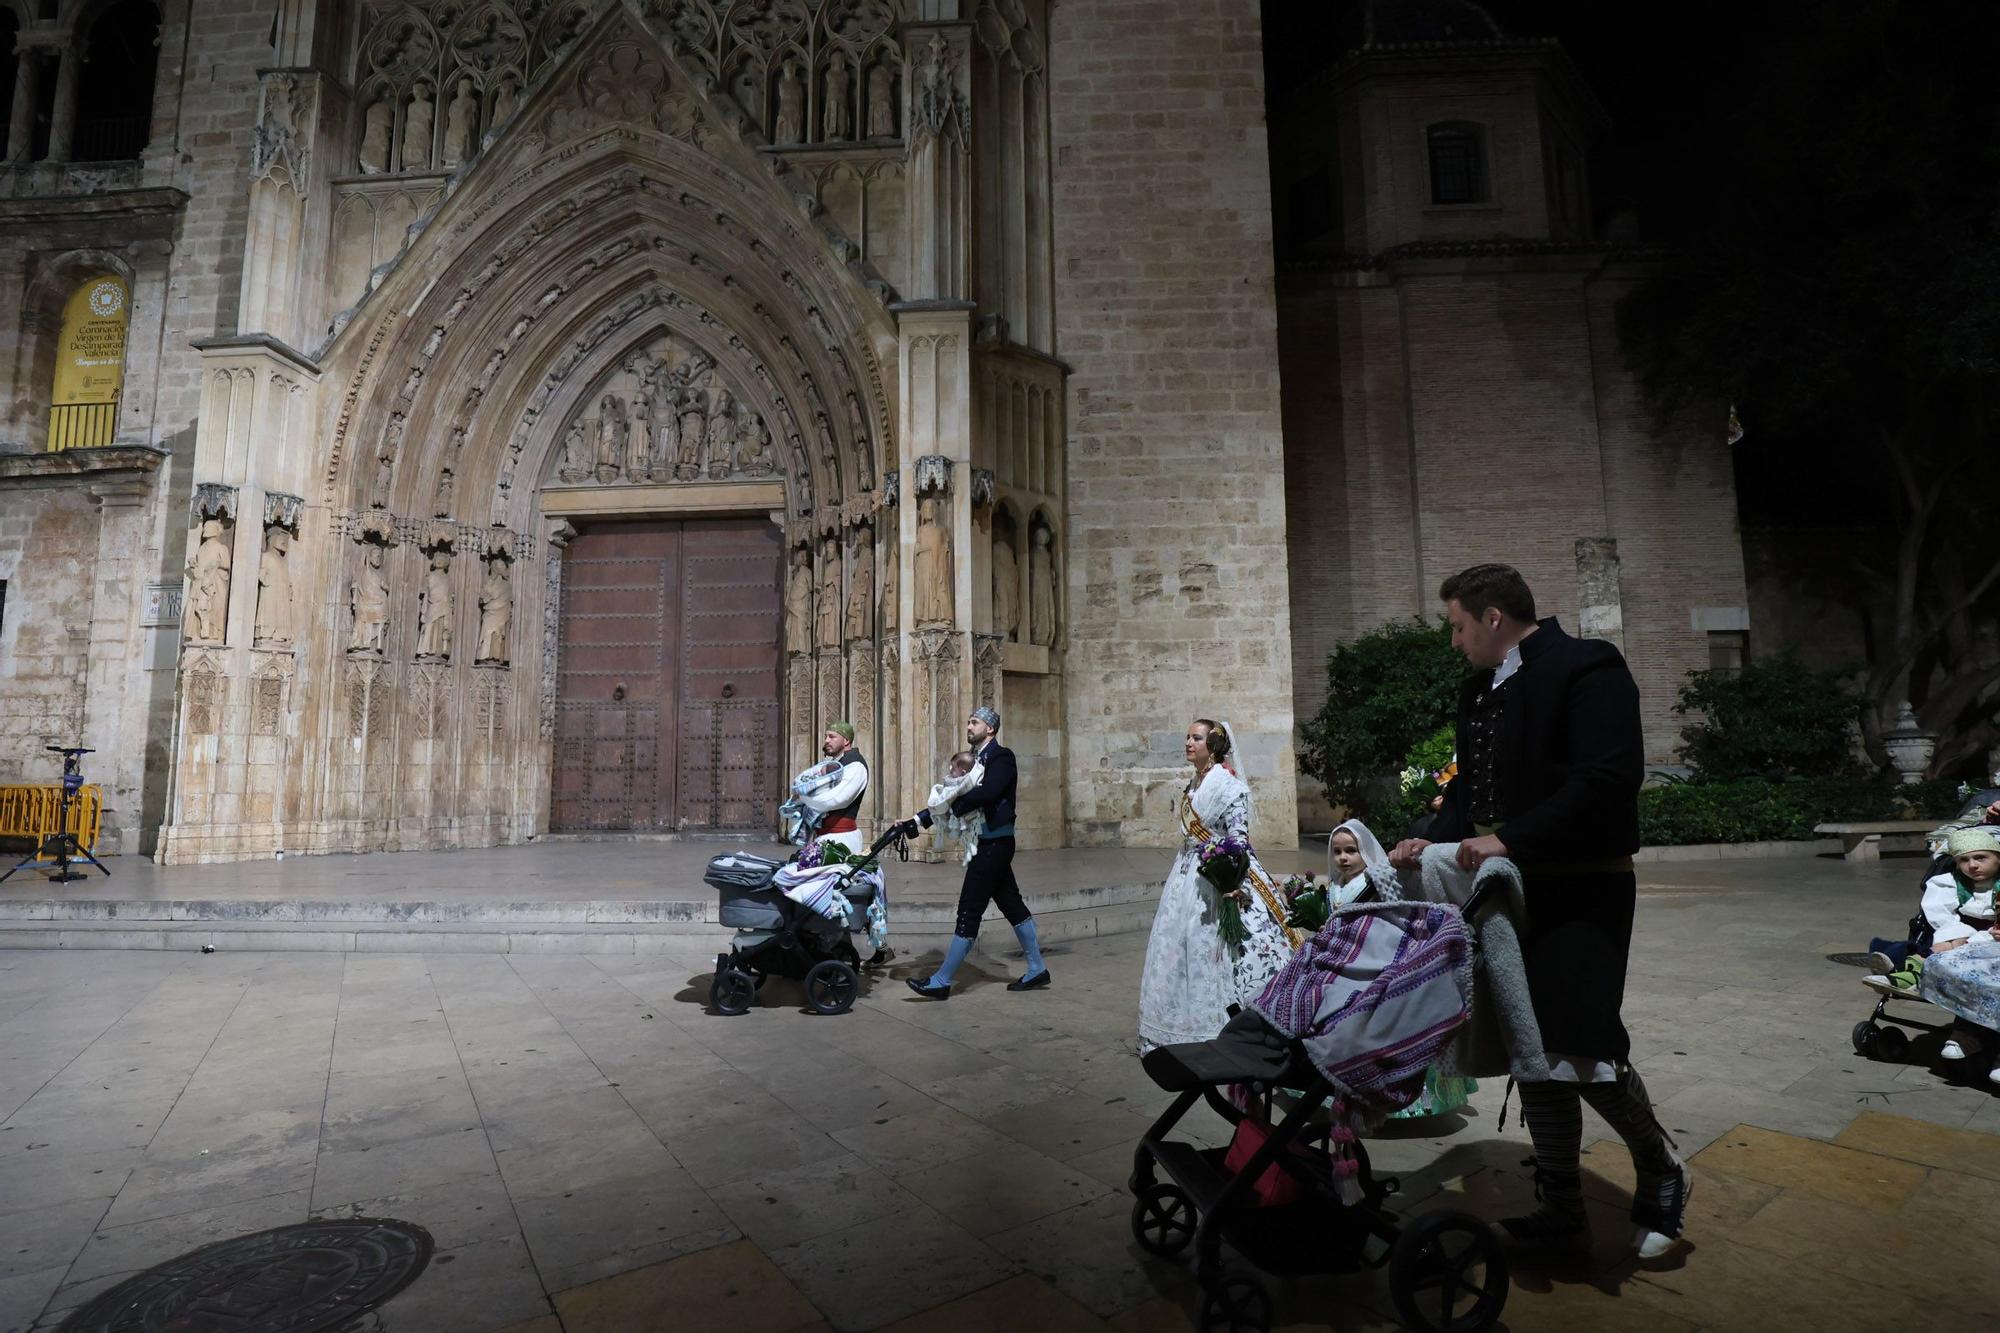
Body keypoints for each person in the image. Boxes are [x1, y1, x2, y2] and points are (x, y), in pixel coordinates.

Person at [1391, 563, 1688, 1260]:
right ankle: (1561, 1205)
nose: (1455, 642)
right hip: (1501, 889)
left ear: (1493, 616)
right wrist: (1429, 839)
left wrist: (1509, 838)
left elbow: (1609, 778)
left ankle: (1662, 1164)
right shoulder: (1477, 691)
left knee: (1579, 1043)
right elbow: (1470, 797)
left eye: (1459, 626)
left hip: (1580, 887)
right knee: (1531, 1049)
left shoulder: (1588, 665)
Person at [1137, 720, 1297, 1051]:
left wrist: (1231, 881)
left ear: (1213, 745)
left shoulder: (1229, 786)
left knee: (1217, 950)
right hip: (1186, 876)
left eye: (1196, 738)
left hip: (1217, 875)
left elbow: (1239, 839)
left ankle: (1230, 1020)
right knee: (1179, 947)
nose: (1188, 742)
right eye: (1187, 736)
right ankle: (1180, 1021)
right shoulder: (1193, 784)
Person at [1323, 817, 1478, 1118]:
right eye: (1338, 851)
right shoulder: (1335, 886)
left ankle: (1411, 1096)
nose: (1343, 858)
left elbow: (1395, 913)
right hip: (1344, 959)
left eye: (1351, 851)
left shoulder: (1375, 881)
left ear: (1364, 851)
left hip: (1374, 959)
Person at [902, 707, 1049, 997]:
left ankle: (942, 981)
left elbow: (988, 792)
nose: (969, 726)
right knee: (1011, 905)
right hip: (987, 844)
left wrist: (954, 807)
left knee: (970, 909)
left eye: (975, 722)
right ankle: (1037, 969)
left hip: (995, 844)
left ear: (990, 729)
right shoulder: (973, 760)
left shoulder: (1001, 757)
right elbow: (950, 793)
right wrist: (917, 820)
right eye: (969, 721)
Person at [791, 722, 870, 856]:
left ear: (846, 741)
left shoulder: (855, 765)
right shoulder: (832, 764)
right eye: (826, 736)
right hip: (822, 837)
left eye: (832, 737)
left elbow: (833, 800)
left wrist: (803, 795)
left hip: (841, 839)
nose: (827, 740)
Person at [922, 750, 986, 864]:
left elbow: (947, 799)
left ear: (963, 772)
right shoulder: (952, 783)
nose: (950, 770)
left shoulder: (966, 784)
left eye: (952, 767)